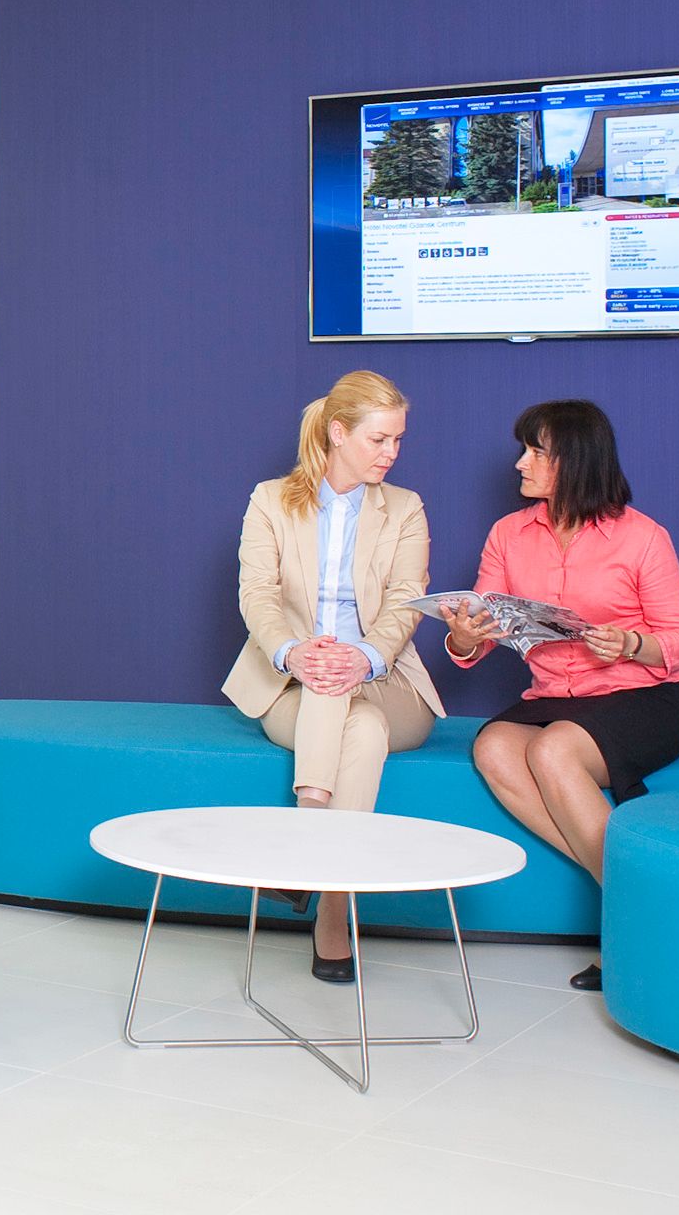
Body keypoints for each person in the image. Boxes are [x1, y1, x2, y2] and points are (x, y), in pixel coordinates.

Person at [438, 400, 679, 994]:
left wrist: (631, 643)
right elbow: (482, 627)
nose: (520, 462)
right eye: (523, 449)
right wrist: (465, 637)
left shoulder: (643, 537)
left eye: (536, 452)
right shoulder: (508, 534)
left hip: (645, 696)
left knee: (553, 750)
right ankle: (635, 896)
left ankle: (626, 931)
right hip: (555, 695)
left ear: (576, 460)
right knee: (494, 747)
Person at [223, 370, 443, 982]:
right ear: (339, 433)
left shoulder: (405, 508)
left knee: (343, 679)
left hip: (388, 683)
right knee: (348, 711)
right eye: (379, 439)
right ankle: (333, 915)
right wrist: (293, 652)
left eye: (397, 440)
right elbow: (257, 594)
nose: (391, 453)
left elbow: (406, 601)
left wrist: (364, 655)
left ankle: (301, 851)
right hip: (293, 684)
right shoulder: (271, 499)